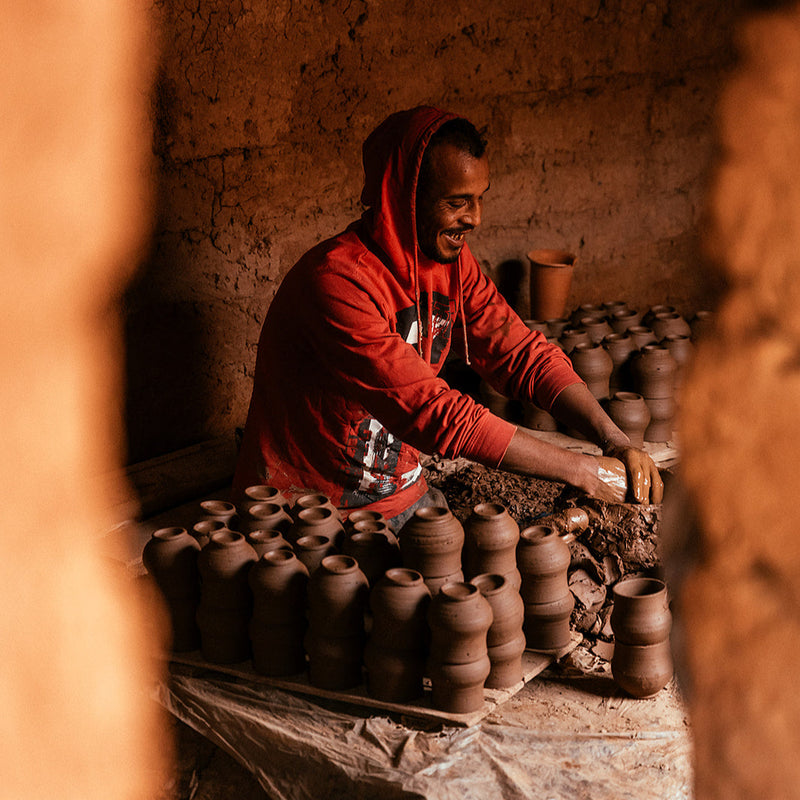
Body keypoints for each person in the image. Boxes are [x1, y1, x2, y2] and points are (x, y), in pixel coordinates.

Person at [233, 106, 663, 530]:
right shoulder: (336, 282)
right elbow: (435, 413)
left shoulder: (451, 266)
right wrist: (584, 472)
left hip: (401, 494)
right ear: (404, 196)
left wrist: (615, 440)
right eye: (457, 202)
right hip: (313, 516)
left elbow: (520, 353)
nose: (474, 218)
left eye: (479, 199)